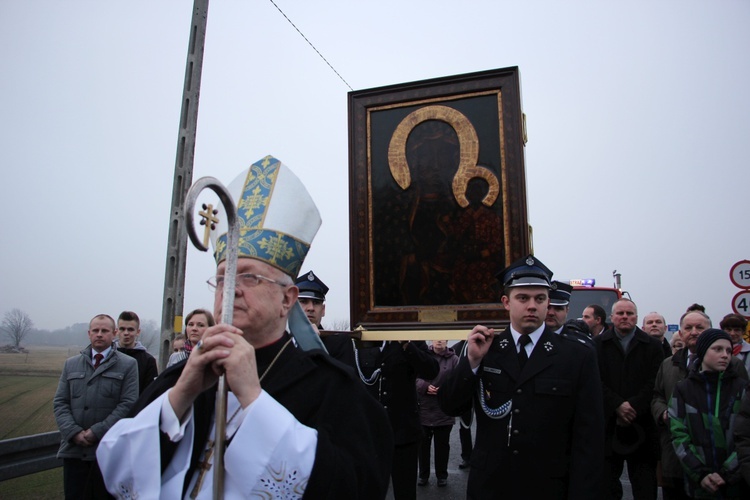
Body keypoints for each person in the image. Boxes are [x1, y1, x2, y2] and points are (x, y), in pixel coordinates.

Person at [96, 156, 393, 498]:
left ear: (288, 299)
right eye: (222, 278)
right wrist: (179, 398)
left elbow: (353, 487)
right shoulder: (177, 381)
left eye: (248, 276)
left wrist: (254, 399)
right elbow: (106, 480)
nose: (231, 287)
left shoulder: (334, 390)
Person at [439, 255, 604, 498]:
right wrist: (471, 362)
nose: (531, 306)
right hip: (491, 485)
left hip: (547, 486)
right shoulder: (486, 349)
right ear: (506, 302)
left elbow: (589, 437)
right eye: (522, 298)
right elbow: (449, 405)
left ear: (548, 303)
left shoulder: (576, 356)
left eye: (540, 299)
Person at [53, 314, 138, 499]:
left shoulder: (128, 365)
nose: (99, 334)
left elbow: (128, 404)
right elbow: (60, 402)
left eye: (105, 331)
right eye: (95, 331)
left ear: (114, 333)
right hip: (74, 452)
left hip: (107, 453)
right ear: (88, 333)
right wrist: (74, 432)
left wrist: (97, 432)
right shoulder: (71, 364)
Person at [353, 336, 438, 499]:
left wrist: (407, 345)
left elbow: (432, 369)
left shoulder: (410, 340)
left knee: (404, 493)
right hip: (371, 436)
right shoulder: (362, 339)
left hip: (404, 433)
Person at [595, 298, 664, 500]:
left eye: (629, 313)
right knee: (607, 485)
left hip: (642, 424)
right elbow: (595, 380)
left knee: (644, 485)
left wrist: (632, 406)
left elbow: (655, 382)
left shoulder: (652, 346)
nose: (625, 317)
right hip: (609, 425)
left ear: (636, 317)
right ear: (612, 317)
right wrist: (617, 405)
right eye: (620, 313)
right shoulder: (598, 345)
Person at [669, 329, 748, 498]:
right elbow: (678, 434)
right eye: (718, 349)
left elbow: (746, 437)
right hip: (697, 483)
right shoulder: (684, 389)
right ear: (703, 351)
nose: (725, 355)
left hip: (736, 484)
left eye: (728, 350)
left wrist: (727, 473)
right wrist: (700, 473)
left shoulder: (742, 389)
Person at [416, 340, 458, 487]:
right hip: (424, 407)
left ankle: (442, 475)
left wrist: (445, 389)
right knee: (423, 445)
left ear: (447, 340)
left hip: (444, 408)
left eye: (442, 337)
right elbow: (413, 376)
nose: (439, 340)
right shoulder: (423, 355)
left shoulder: (454, 359)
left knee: (442, 445)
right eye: (436, 337)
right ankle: (423, 475)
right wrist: (425, 386)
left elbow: (457, 379)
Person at [295, 270, 355, 368]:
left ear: (323, 310)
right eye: (303, 301)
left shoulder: (338, 344)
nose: (311, 308)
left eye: (316, 303)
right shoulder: (281, 342)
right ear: (292, 306)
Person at [116, 310, 159, 393]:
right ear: (117, 331)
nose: (126, 333)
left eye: (130, 329)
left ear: (138, 332)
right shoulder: (107, 356)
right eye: (122, 329)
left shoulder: (148, 361)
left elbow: (149, 392)